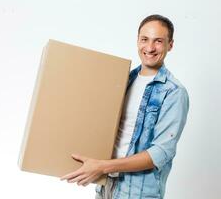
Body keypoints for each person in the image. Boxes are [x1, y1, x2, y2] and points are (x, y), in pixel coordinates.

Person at [60, 14, 189, 199]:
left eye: (158, 41)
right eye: (145, 39)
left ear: (170, 45)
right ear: (137, 41)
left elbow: (160, 153)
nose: (150, 48)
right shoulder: (122, 80)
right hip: (106, 185)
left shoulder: (174, 92)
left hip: (139, 192)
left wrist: (102, 165)